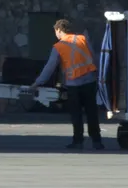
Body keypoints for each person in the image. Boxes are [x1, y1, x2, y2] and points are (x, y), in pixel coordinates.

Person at [31, 18, 103, 149]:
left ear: (59, 30)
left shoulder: (59, 46)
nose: (56, 35)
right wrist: (98, 75)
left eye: (55, 32)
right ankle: (97, 141)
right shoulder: (82, 39)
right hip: (90, 81)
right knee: (92, 112)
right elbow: (94, 57)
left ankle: (78, 141)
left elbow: (50, 67)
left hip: (73, 84)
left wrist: (37, 83)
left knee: (76, 114)